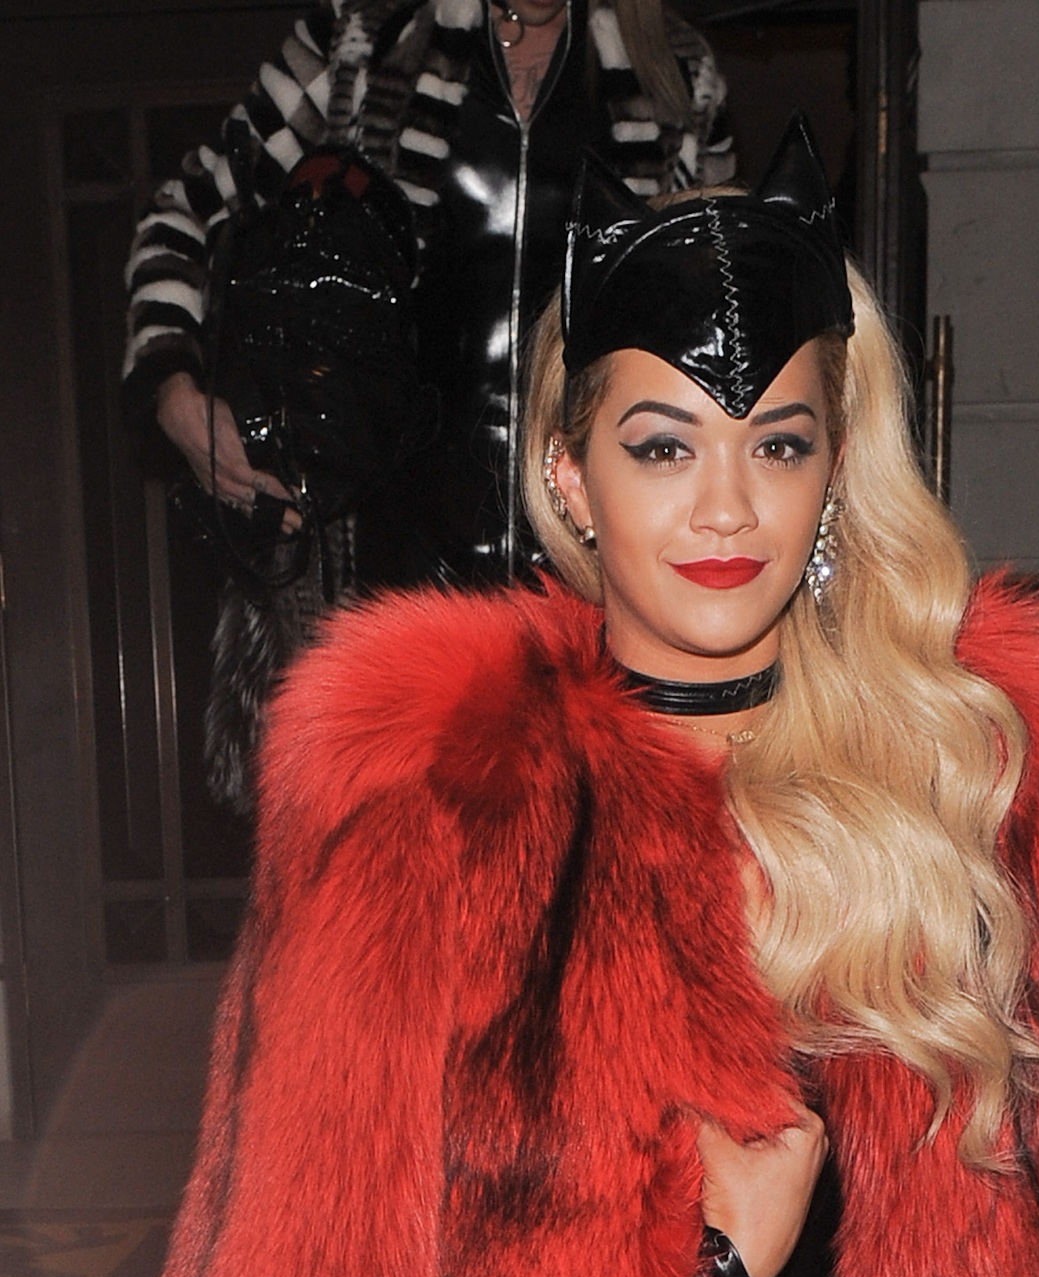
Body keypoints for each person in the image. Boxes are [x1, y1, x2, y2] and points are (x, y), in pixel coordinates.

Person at [150, 121, 1039, 1277]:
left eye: (777, 443)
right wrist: (700, 1257)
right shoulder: (429, 783)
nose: (725, 506)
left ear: (835, 475)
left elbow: (1029, 1228)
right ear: (570, 474)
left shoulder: (963, 764)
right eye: (663, 444)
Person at [123, 0, 734, 808]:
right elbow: (184, 210)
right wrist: (173, 388)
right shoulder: (366, 39)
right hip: (388, 567)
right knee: (390, 865)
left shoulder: (673, 74)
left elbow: (718, 317)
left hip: (593, 580)